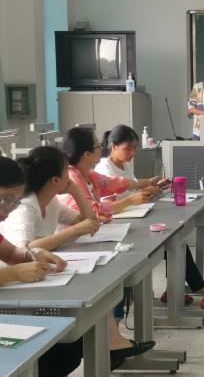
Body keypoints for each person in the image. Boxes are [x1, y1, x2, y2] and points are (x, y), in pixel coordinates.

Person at [0, 155, 153, 373]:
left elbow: (12, 252)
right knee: (59, 353)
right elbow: (14, 263)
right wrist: (15, 273)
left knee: (70, 350)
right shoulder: (27, 209)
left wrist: (32, 253)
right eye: (6, 200)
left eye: (13, 202)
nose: (8, 209)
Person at [97, 124, 204, 309]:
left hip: (136, 220)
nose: (132, 153)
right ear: (113, 146)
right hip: (120, 230)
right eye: (128, 149)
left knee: (176, 238)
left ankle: (174, 290)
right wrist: (132, 199)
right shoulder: (104, 169)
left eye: (135, 148)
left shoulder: (123, 164)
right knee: (175, 241)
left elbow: (130, 192)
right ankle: (202, 293)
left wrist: (151, 189)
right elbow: (107, 208)